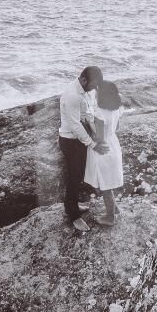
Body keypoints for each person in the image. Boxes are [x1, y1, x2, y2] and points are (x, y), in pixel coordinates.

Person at [59, 65, 109, 234]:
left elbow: (88, 114)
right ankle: (73, 215)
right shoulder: (72, 95)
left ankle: (71, 204)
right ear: (83, 80)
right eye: (93, 84)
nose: (95, 88)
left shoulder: (86, 91)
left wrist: (96, 133)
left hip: (78, 139)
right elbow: (74, 125)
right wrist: (92, 144)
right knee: (74, 176)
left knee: (79, 174)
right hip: (69, 140)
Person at [84, 80, 125, 226]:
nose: (95, 93)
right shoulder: (117, 109)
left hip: (104, 149)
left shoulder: (99, 113)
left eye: (97, 91)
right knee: (109, 180)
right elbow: (116, 128)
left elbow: (99, 137)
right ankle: (115, 209)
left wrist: (88, 125)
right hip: (113, 144)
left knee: (105, 185)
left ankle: (110, 217)